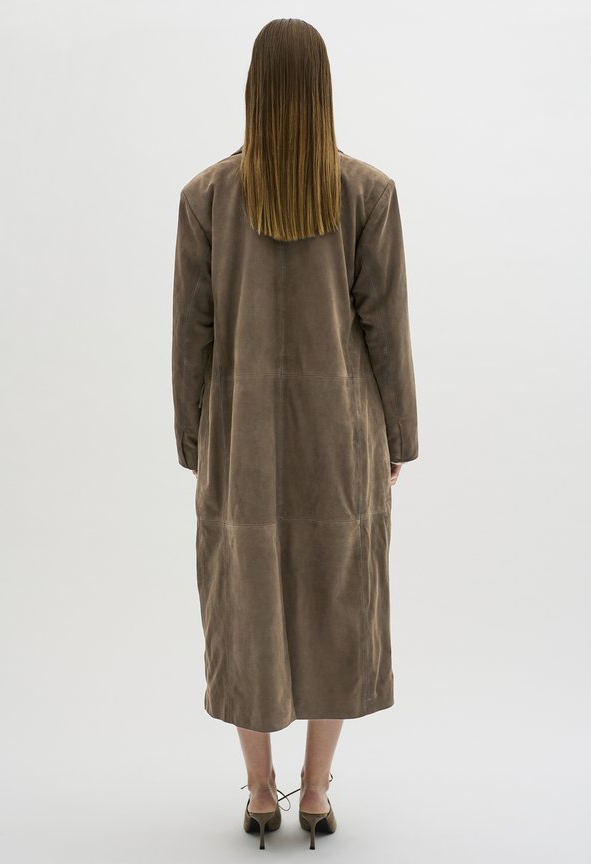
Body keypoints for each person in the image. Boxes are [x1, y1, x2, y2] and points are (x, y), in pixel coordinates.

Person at [171, 17, 419, 850]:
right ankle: (314, 792)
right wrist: (398, 437)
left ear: (254, 87)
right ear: (322, 89)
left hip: (241, 442)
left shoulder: (206, 196)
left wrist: (193, 442)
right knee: (336, 602)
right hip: (339, 438)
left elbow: (191, 334)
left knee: (247, 606)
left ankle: (257, 793)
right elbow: (386, 328)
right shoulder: (367, 192)